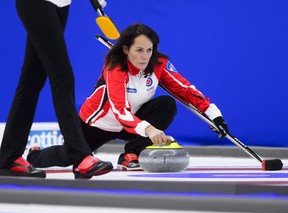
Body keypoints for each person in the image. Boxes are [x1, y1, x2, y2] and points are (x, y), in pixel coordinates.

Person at [27, 23, 229, 171]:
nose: (144, 56)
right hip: (98, 124)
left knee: (166, 104)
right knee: (67, 156)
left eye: (149, 50)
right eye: (139, 50)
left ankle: (130, 154)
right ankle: (34, 156)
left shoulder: (157, 64)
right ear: (125, 50)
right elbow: (119, 110)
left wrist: (214, 115)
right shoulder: (116, 69)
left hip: (133, 122)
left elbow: (185, 89)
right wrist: (149, 129)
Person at [0, 0, 113, 179]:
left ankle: (8, 157)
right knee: (62, 75)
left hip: (61, 3)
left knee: (32, 79)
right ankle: (80, 155)